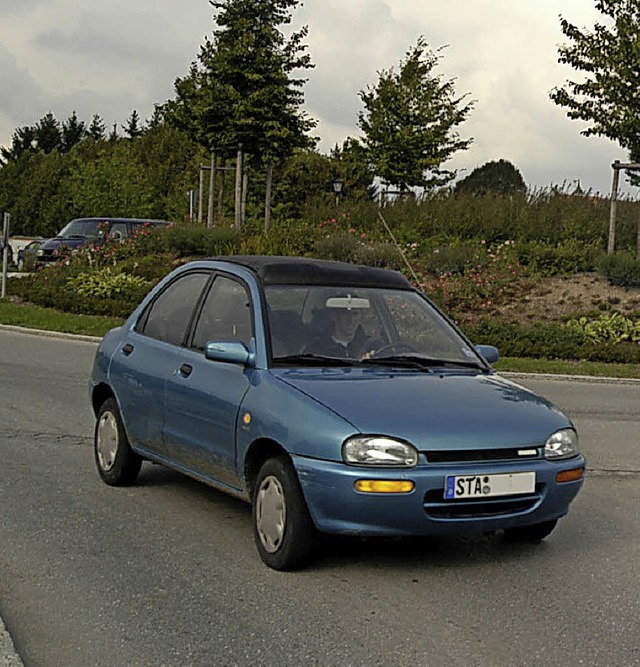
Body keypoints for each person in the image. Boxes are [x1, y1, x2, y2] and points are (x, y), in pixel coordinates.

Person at [305, 306, 379, 359]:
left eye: (355, 314)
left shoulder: (373, 347)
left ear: (361, 317)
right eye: (346, 314)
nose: (351, 320)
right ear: (334, 316)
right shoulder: (316, 349)